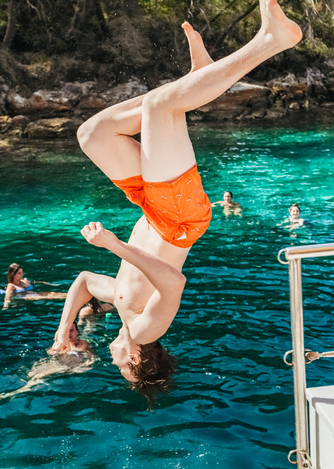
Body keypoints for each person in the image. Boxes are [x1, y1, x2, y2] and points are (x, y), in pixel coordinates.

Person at [51, 2, 303, 405]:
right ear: (134, 359)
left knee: (93, 134)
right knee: (160, 106)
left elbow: (83, 281)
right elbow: (174, 282)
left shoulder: (121, 304)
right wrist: (114, 246)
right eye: (119, 366)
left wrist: (64, 328)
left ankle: (197, 78)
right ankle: (270, 41)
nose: (111, 359)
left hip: (152, 210)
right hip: (178, 219)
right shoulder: (147, 329)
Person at [0, 321, 96, 399]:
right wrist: (55, 351)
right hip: (58, 362)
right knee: (31, 374)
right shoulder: (59, 344)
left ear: (77, 332)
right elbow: (50, 352)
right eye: (66, 331)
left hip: (69, 365)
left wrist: (85, 365)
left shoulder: (83, 344)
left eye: (71, 330)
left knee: (41, 375)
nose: (68, 333)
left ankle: (20, 391)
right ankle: (30, 386)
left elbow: (92, 357)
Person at [3, 263, 68, 308]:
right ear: (13, 274)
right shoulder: (11, 285)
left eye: (22, 272)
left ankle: (72, 295)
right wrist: (6, 305)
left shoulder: (23, 281)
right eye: (19, 273)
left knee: (54, 293)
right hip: (28, 296)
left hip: (35, 293)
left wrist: (46, 283)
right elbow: (7, 296)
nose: (22, 274)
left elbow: (34, 282)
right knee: (53, 297)